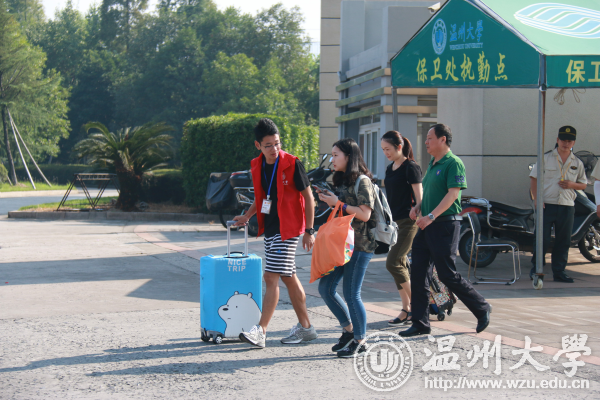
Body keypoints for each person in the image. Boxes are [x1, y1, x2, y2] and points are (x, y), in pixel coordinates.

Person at [400, 124, 492, 337]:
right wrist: (419, 206)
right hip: (426, 225)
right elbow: (431, 193)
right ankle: (420, 322)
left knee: (446, 274)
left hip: (444, 226)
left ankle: (482, 307)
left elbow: (452, 194)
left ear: (443, 140)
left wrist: (431, 216)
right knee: (418, 273)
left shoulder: (454, 163)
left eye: (430, 138)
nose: (426, 142)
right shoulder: (433, 163)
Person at [233, 118, 318, 348]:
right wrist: (247, 216)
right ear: (258, 145)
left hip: (288, 229)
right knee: (288, 277)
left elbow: (309, 198)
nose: (274, 149)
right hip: (271, 228)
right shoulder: (258, 165)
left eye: (277, 143)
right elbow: (262, 197)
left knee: (271, 276)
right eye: (268, 145)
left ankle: (261, 331)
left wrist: (309, 230)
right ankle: (306, 328)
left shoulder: (292, 163)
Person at [316, 138, 378, 358]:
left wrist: (338, 203)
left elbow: (365, 214)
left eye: (336, 155)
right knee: (326, 288)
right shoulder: (343, 180)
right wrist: (329, 200)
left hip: (360, 245)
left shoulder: (363, 181)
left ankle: (361, 342)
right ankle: (349, 331)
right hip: (342, 245)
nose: (332, 159)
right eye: (332, 155)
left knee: (352, 294)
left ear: (348, 157)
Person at [529, 126, 587, 283]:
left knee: (563, 240)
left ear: (573, 142)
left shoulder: (577, 162)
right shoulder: (546, 158)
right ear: (557, 140)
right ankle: (537, 268)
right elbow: (534, 178)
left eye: (569, 141)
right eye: (563, 140)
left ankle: (559, 271)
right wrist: (537, 199)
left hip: (567, 205)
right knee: (542, 239)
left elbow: (583, 184)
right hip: (547, 204)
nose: (566, 144)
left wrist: (571, 185)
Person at [380, 131, 422, 327]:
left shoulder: (411, 167)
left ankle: (418, 306)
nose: (385, 153)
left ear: (399, 147)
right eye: (383, 150)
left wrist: (417, 207)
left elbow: (420, 198)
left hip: (408, 222)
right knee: (400, 265)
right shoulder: (390, 168)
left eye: (388, 149)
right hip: (394, 224)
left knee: (393, 262)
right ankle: (406, 309)